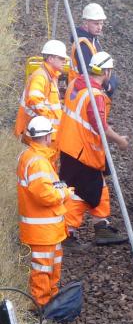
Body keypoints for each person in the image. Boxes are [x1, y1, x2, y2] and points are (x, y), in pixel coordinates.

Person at [58, 52, 129, 247]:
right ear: (106, 71)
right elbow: (100, 125)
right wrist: (120, 141)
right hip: (83, 152)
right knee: (81, 193)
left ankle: (101, 226)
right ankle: (67, 234)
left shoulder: (76, 84)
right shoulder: (95, 95)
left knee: (98, 187)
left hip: (69, 147)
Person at [17, 116, 68, 307]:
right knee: (43, 269)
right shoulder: (37, 162)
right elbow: (45, 195)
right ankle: (42, 305)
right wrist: (64, 193)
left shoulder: (32, 157)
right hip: (43, 230)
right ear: (47, 137)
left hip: (48, 229)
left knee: (51, 267)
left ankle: (51, 300)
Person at [14, 39, 67, 154]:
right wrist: (49, 119)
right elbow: (34, 99)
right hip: (37, 134)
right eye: (61, 58)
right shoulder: (41, 76)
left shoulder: (50, 76)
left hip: (44, 133)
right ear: (51, 58)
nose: (65, 61)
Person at [68, 2, 117, 96]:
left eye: (101, 24)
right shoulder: (83, 46)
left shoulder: (92, 39)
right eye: (96, 24)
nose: (99, 27)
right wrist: (109, 86)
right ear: (86, 23)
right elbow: (89, 73)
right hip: (83, 90)